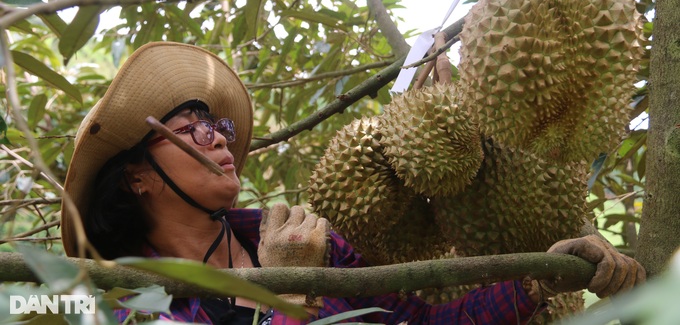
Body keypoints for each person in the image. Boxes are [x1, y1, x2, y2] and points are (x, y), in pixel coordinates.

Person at [61, 41, 646, 324]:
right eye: (191, 130)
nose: (216, 138)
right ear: (137, 177)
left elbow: (420, 322)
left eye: (218, 125)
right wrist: (289, 292)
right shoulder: (127, 303)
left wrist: (539, 278)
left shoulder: (312, 243)